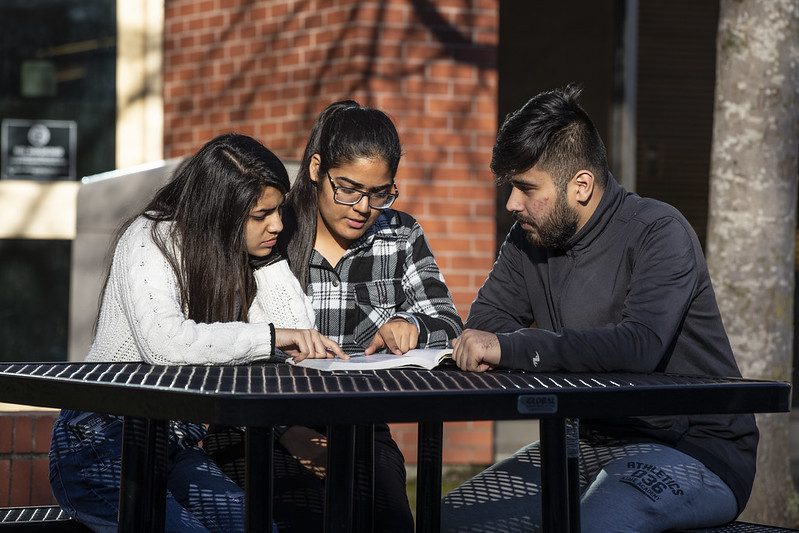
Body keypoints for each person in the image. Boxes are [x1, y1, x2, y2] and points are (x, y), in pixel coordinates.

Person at [440, 85, 758, 533]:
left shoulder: (658, 231)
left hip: (696, 449)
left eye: (526, 188)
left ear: (582, 185)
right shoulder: (527, 238)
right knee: (451, 520)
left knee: (593, 526)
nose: (512, 203)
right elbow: (486, 325)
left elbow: (638, 346)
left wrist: (513, 348)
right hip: (582, 444)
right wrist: (502, 344)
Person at [49, 133, 345, 533]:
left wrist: (270, 260)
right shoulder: (150, 238)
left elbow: (297, 340)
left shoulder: (239, 253)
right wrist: (271, 337)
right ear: (220, 212)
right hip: (100, 443)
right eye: (261, 215)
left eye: (279, 210)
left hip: (174, 445)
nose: (277, 224)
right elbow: (167, 344)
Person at [205, 100, 464, 532]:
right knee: (305, 518)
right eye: (347, 188)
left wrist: (413, 326)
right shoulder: (272, 231)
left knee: (390, 522)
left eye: (380, 193)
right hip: (259, 423)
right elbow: (229, 339)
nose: (363, 206)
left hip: (359, 425)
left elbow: (448, 323)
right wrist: (286, 429)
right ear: (315, 169)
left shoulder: (399, 235)